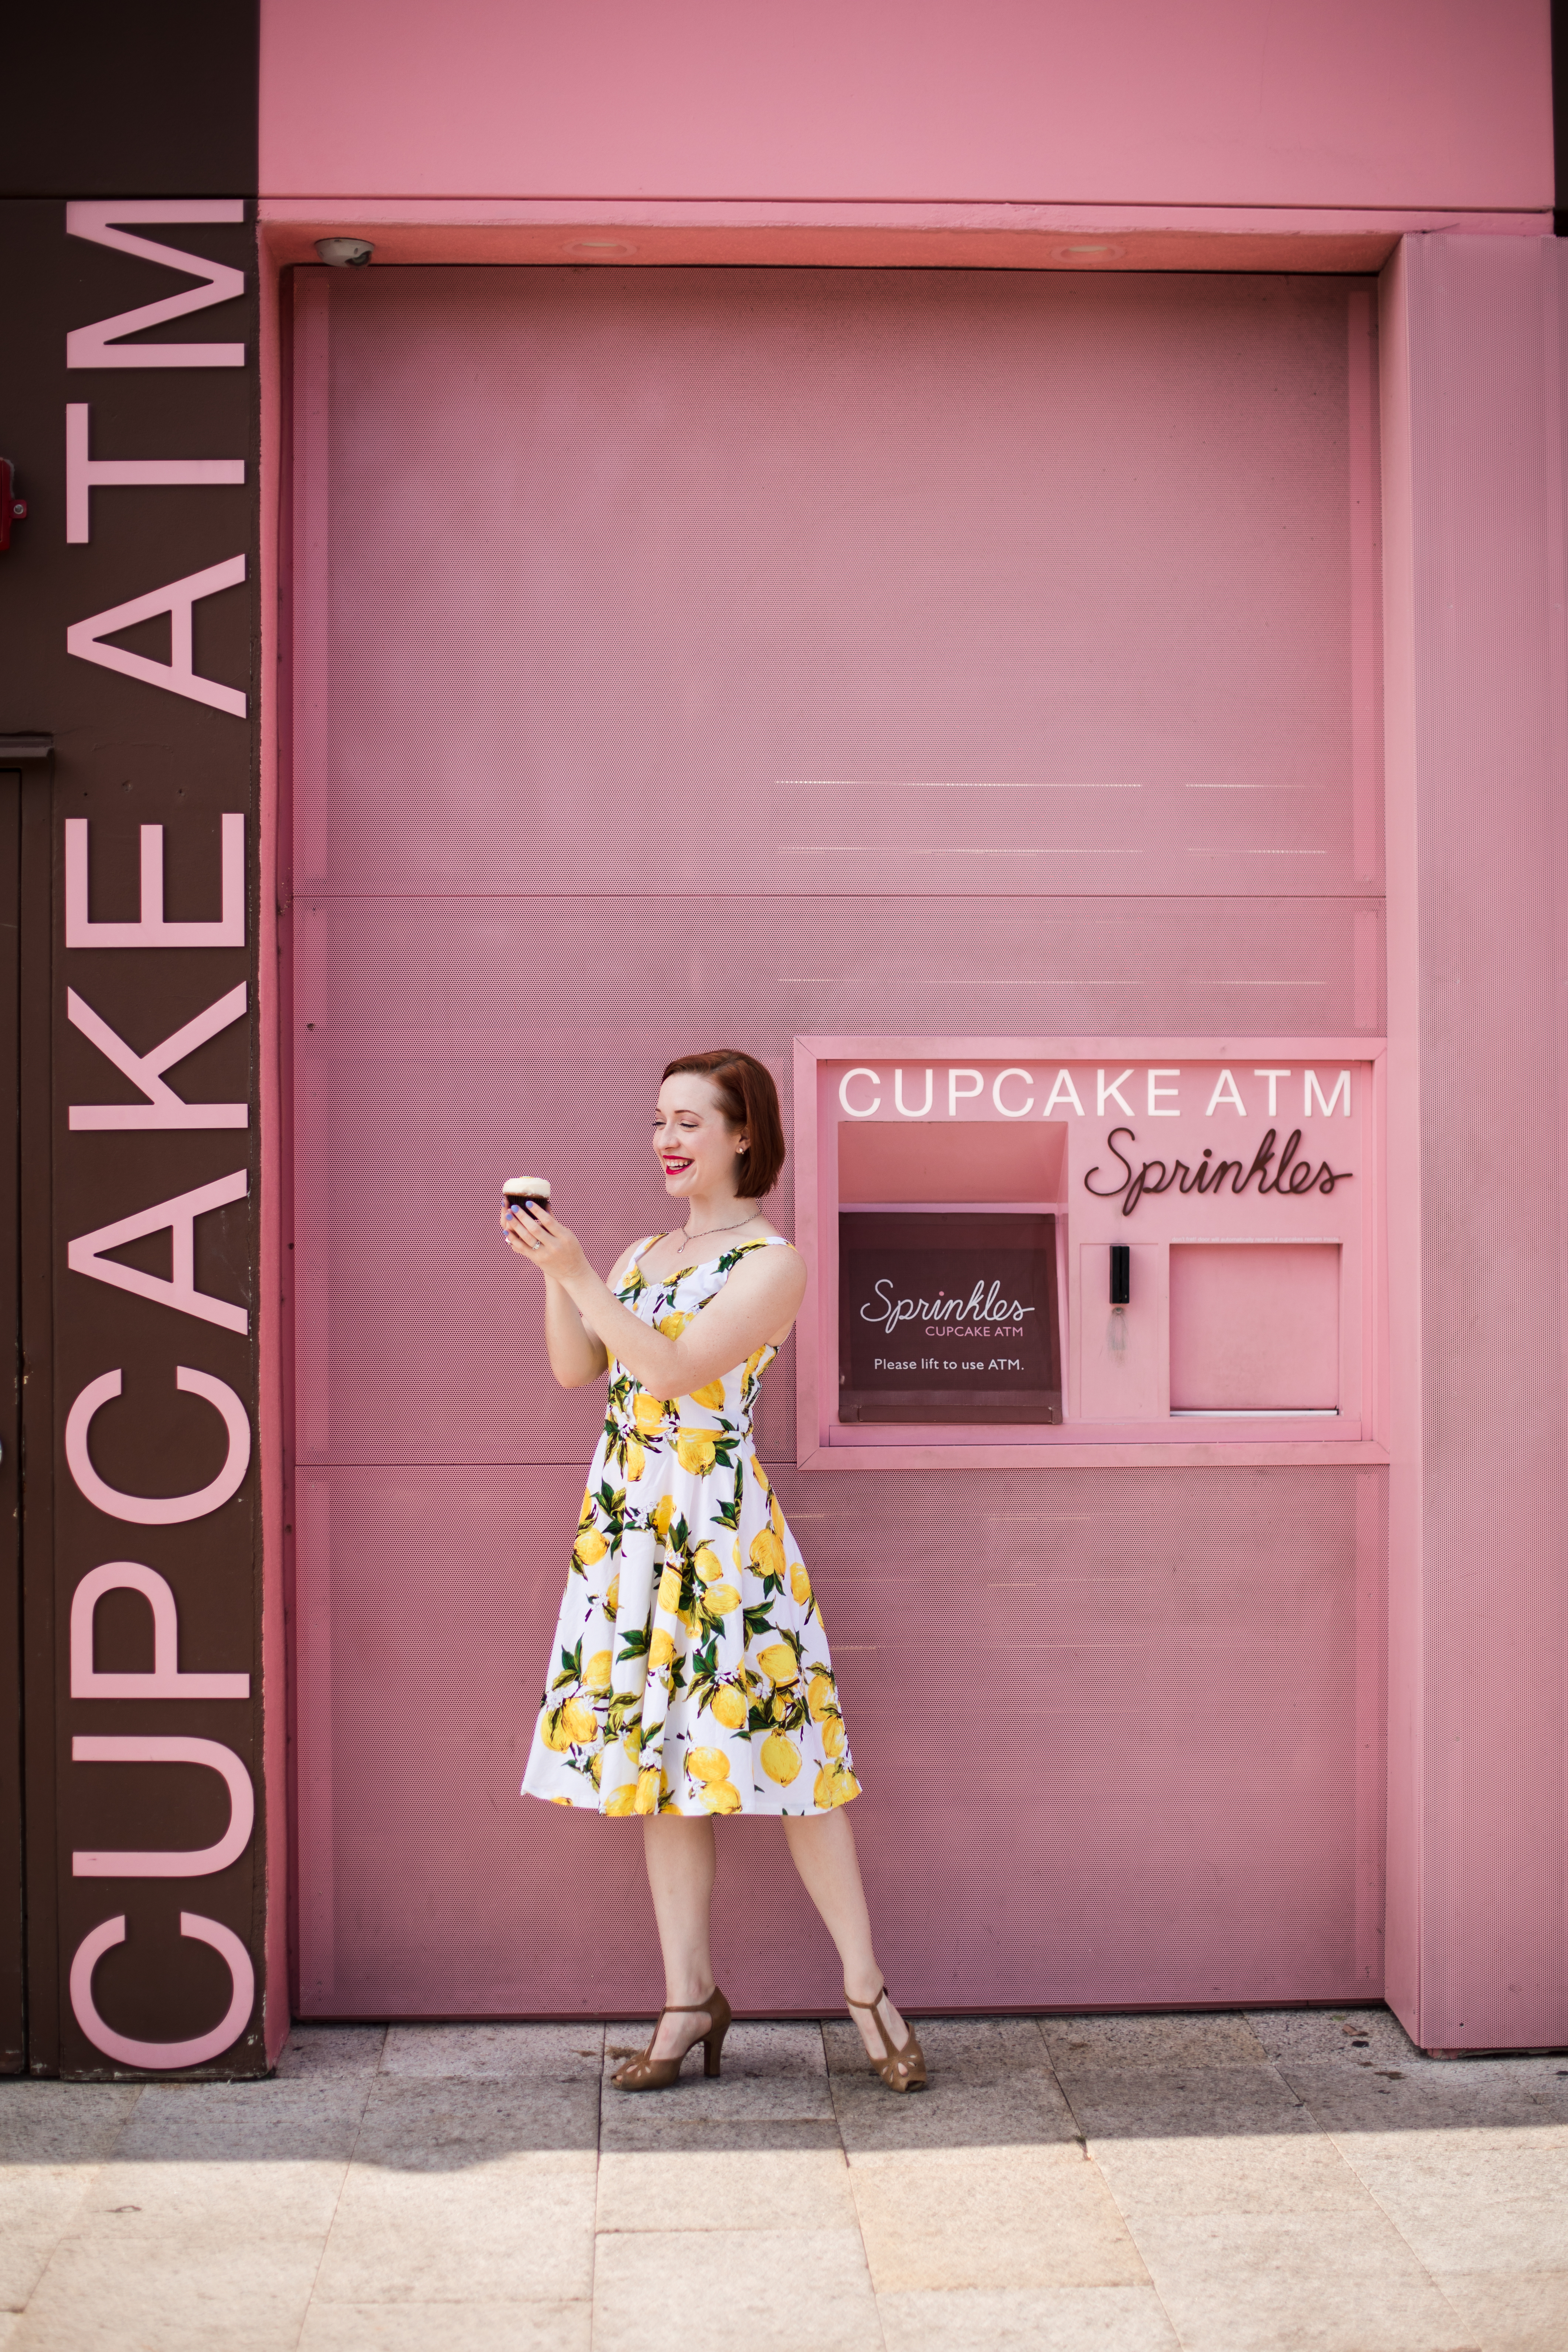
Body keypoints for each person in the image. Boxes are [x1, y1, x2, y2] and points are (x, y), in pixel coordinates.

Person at [505, 1048, 925, 2093]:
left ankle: (865, 1985)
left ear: (746, 1135)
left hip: (723, 1534)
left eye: (692, 1121)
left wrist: (577, 1277)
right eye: (659, 1120)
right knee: (664, 1776)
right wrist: (562, 1278)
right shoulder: (641, 1252)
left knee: (793, 1767)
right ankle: (688, 2000)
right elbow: (578, 1369)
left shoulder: (769, 1262)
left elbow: (674, 1372)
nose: (669, 1139)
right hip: (630, 1533)